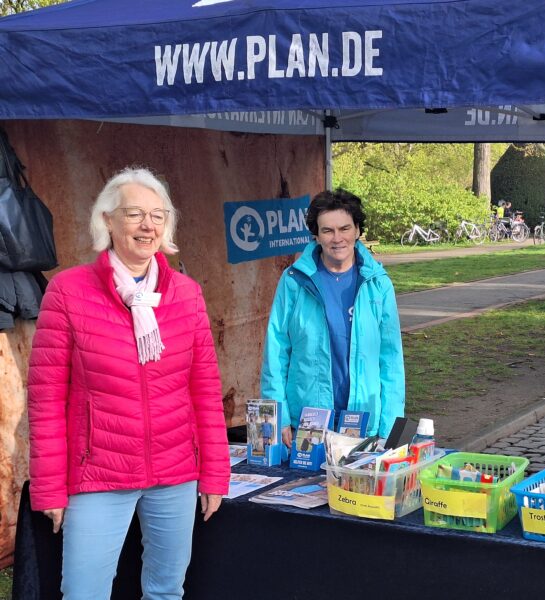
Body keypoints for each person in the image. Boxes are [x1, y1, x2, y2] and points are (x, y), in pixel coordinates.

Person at [27, 167, 230, 600]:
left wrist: (215, 473)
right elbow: (46, 398)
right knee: (83, 593)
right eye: (134, 213)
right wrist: (49, 486)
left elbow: (205, 392)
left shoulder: (187, 293)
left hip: (175, 471)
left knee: (166, 591)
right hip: (98, 471)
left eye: (158, 215)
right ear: (108, 220)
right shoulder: (68, 291)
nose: (147, 225)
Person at [261, 189, 404, 445]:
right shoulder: (294, 282)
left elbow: (391, 359)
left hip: (364, 422)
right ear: (316, 235)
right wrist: (278, 417)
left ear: (357, 230)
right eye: (327, 230)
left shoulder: (378, 284)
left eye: (344, 228)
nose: (337, 238)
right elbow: (276, 350)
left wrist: (390, 427)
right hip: (308, 423)